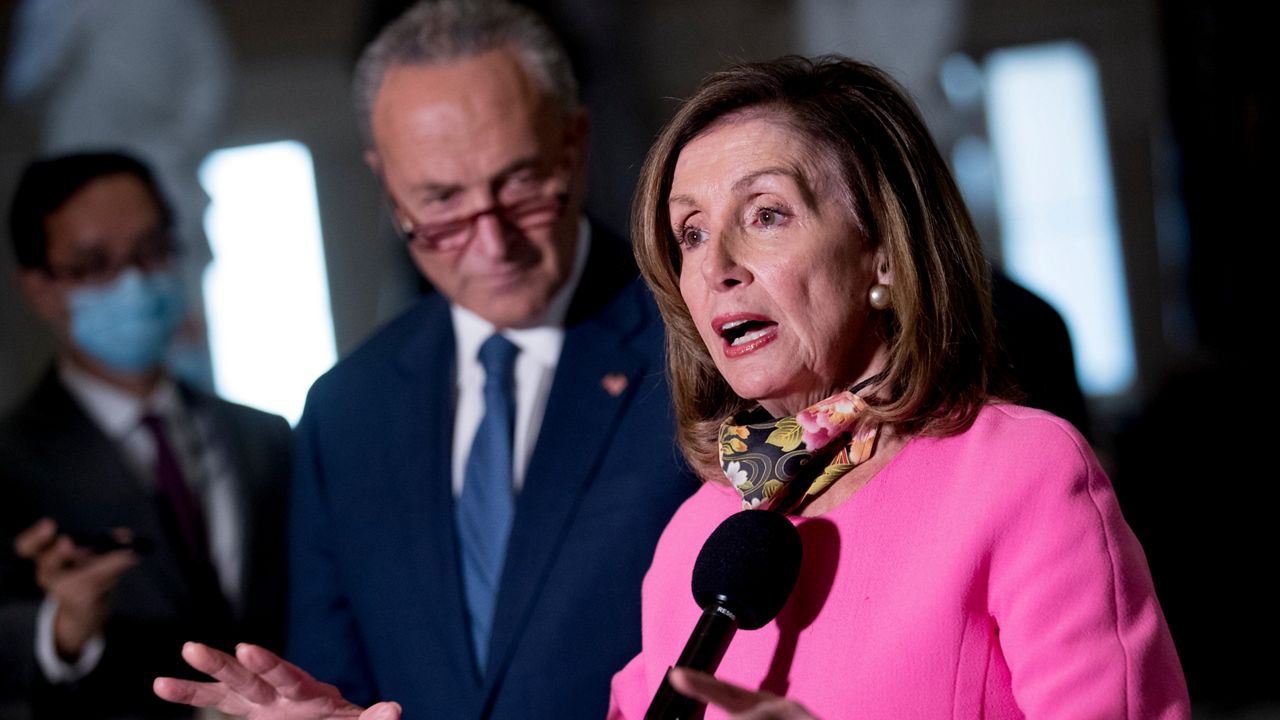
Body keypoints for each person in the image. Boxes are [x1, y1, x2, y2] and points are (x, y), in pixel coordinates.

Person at [155, 1, 696, 719]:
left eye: (520, 185)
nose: (493, 244)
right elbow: (334, 672)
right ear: (387, 186)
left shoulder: (696, 347)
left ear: (574, 143)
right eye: (440, 202)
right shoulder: (348, 409)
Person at [605, 56, 1189, 718]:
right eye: (692, 232)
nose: (716, 267)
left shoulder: (1023, 474)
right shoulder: (695, 534)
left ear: (881, 249)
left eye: (766, 214)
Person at [0, 151, 291, 719]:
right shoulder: (8, 464)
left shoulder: (267, 439)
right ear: (40, 289)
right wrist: (59, 631)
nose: (133, 281)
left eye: (150, 251)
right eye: (93, 265)